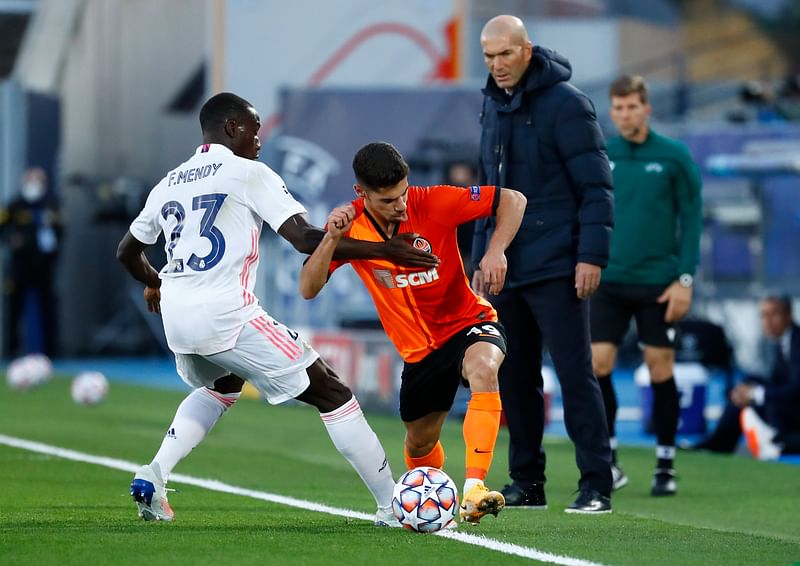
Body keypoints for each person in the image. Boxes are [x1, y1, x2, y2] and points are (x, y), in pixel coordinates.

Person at [116, 92, 439, 525]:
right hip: (225, 311)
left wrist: (157, 284)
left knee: (223, 385)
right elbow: (306, 238)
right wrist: (386, 249)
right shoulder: (247, 172)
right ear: (232, 128)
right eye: (253, 129)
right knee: (332, 391)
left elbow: (126, 252)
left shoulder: (170, 182)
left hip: (178, 317)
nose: (259, 139)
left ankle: (154, 475)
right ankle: (393, 506)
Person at [299, 141, 527, 525]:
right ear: (361, 193)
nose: (401, 205)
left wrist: (496, 250)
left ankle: (474, 489)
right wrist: (332, 239)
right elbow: (308, 287)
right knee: (419, 443)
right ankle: (433, 501)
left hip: (468, 322)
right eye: (388, 200)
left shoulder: (433, 202)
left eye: (403, 193)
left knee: (484, 370)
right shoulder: (349, 226)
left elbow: (514, 200)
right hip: (419, 352)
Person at [472, 15, 614, 513]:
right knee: (515, 378)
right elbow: (487, 195)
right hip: (505, 268)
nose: (496, 65)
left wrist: (591, 256)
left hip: (558, 263)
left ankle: (596, 483)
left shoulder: (569, 104)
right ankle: (527, 482)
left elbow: (596, 187)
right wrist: (478, 260)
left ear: (527, 50)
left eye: (504, 54)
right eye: (488, 57)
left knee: (576, 376)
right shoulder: (491, 104)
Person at [590, 75, 703, 496]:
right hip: (610, 280)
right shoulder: (604, 153)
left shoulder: (673, 156)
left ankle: (666, 463)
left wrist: (685, 280)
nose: (624, 115)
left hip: (659, 283)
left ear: (646, 108)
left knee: (661, 367)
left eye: (632, 107)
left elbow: (692, 219)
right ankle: (612, 459)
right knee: (598, 365)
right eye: (617, 108)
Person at [693, 295, 800, 459]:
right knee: (748, 383)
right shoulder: (783, 342)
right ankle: (719, 444)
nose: (768, 321)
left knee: (755, 389)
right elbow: (777, 382)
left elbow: (795, 388)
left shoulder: (797, 342)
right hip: (788, 406)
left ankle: (778, 440)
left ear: (788, 315)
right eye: (764, 316)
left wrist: (756, 394)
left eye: (774, 315)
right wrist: (749, 392)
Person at [0, 167, 63, 358]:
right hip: (20, 266)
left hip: (44, 266)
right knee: (14, 309)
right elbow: (3, 229)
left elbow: (61, 232)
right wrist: (13, 239)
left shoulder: (51, 205)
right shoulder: (14, 205)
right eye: (31, 180)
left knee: (48, 308)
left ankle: (51, 352)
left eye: (38, 181)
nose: (34, 185)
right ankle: (11, 351)